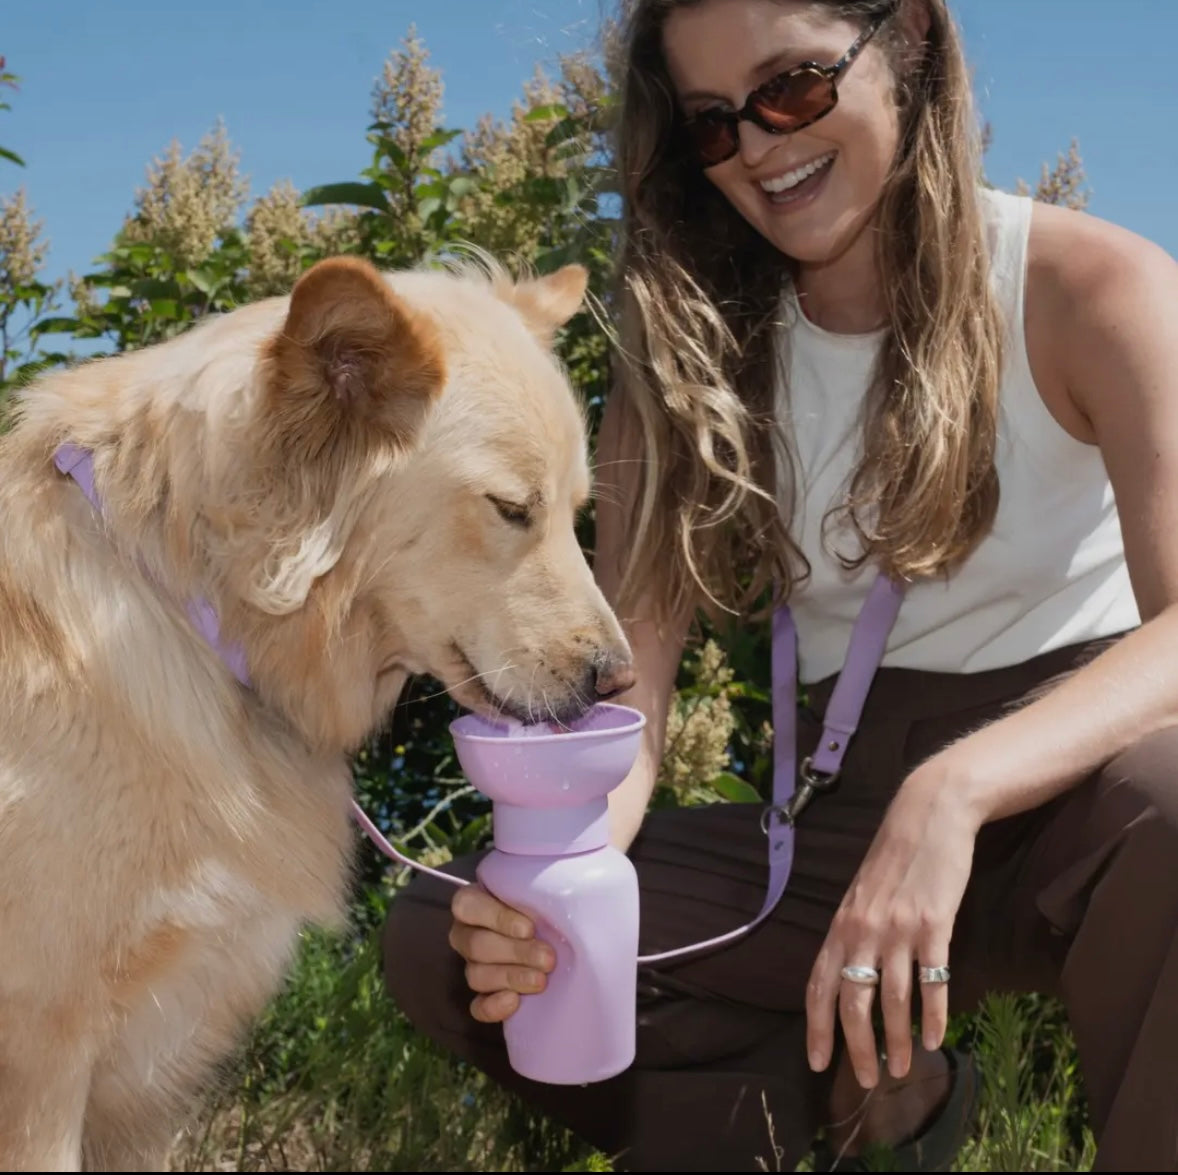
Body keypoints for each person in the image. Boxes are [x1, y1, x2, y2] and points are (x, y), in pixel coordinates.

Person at [382, 0, 1178, 1169]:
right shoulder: (680, 356)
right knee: (443, 935)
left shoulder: (1089, 286)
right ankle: (868, 1113)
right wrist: (556, 883)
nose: (757, 145)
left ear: (903, 42)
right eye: (710, 124)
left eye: (793, 87)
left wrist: (952, 791)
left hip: (1089, 791)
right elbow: (629, 708)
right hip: (833, 816)